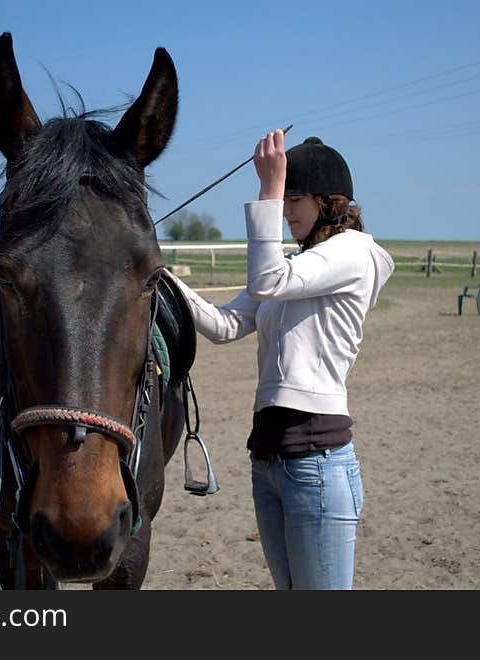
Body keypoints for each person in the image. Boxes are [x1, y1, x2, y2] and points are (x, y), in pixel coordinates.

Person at [166, 131, 394, 589]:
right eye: (282, 200)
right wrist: (158, 273)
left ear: (329, 202)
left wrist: (267, 189)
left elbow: (268, 280)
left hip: (316, 458)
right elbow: (224, 325)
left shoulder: (355, 254)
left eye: (294, 200)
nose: (285, 211)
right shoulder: (297, 265)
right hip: (267, 459)